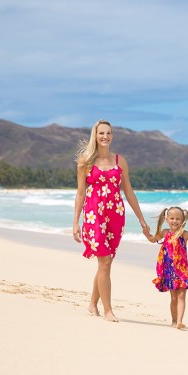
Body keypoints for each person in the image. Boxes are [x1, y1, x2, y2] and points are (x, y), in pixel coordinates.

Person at [72, 119, 150, 322]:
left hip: (115, 215)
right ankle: (108, 310)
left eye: (108, 133)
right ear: (95, 135)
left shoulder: (119, 160)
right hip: (94, 216)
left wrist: (141, 219)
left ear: (112, 136)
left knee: (105, 263)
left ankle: (92, 304)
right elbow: (81, 193)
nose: (105, 136)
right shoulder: (85, 161)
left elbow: (129, 191)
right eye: (101, 133)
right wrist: (76, 222)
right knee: (105, 261)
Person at [146, 206, 188, 329]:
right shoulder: (165, 233)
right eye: (172, 218)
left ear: (182, 220)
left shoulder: (185, 234)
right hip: (169, 271)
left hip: (182, 271)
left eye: (178, 219)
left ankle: (180, 321)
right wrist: (147, 234)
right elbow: (153, 239)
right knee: (174, 297)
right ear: (167, 219)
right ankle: (174, 321)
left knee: (181, 296)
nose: (174, 221)